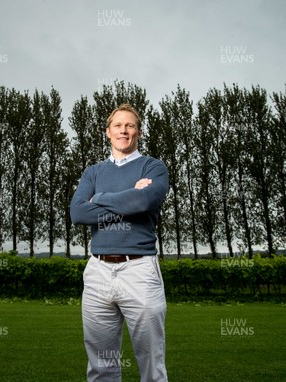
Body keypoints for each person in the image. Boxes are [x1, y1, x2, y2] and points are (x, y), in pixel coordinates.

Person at [70, 103, 169, 382]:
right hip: (98, 270)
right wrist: (129, 198)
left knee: (151, 365)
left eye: (130, 125)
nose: (123, 130)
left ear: (138, 131)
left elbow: (145, 200)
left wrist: (98, 199)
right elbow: (78, 213)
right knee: (101, 367)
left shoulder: (153, 166)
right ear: (107, 132)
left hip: (139, 269)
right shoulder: (93, 172)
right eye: (117, 125)